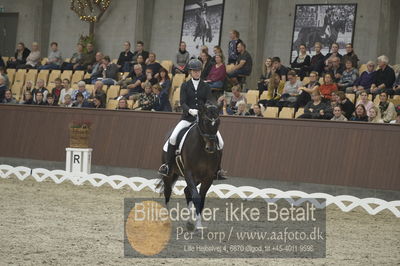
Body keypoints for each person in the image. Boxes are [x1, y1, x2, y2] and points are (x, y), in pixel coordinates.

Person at [158, 59, 224, 177]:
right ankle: (167, 166)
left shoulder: (206, 86)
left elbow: (209, 99)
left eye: (198, 71)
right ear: (190, 72)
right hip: (187, 118)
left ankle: (218, 170)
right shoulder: (185, 85)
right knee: (173, 138)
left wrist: (209, 108)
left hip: (203, 121)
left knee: (221, 142)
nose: (197, 73)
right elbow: (183, 102)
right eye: (194, 71)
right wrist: (189, 110)